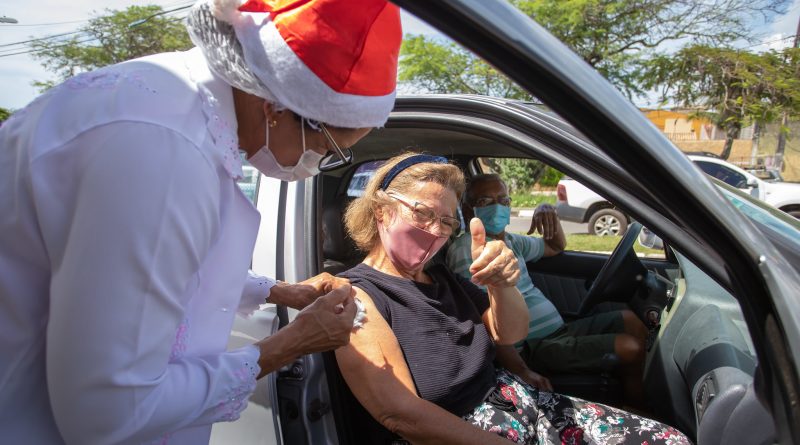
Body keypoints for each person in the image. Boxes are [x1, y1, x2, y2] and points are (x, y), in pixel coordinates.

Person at [0, 0, 401, 443]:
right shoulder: (163, 152)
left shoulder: (183, 114)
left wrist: (274, 291)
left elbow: (155, 268)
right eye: (328, 145)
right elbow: (109, 409)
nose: (319, 161)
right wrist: (291, 343)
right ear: (275, 106)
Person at [335, 153, 690, 444]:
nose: (435, 231)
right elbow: (399, 414)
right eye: (423, 213)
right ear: (381, 211)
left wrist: (503, 285)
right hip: (473, 435)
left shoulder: (439, 277)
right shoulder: (356, 294)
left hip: (523, 406)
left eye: (446, 222)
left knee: (672, 441)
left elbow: (509, 334)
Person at [446, 173, 649, 406]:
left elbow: (555, 246)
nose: (497, 207)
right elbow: (484, 318)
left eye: (503, 200)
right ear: (470, 210)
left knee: (632, 321)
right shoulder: (467, 250)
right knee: (630, 348)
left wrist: (547, 211)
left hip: (559, 332)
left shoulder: (512, 241)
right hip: (534, 348)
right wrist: (521, 370)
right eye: (485, 201)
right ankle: (641, 410)